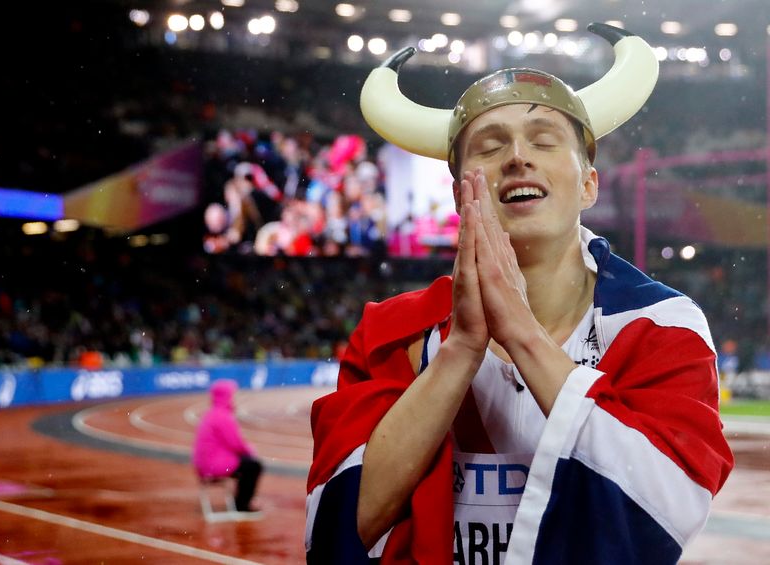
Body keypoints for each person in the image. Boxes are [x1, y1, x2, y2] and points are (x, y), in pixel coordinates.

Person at [305, 23, 734, 564]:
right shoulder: (393, 334)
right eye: (489, 146)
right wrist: (461, 350)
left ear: (588, 184)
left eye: (544, 140)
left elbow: (664, 512)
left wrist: (522, 335)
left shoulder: (661, 325)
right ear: (460, 191)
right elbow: (339, 529)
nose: (516, 157)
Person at [193, 379, 262, 513]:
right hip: (215, 464)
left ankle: (241, 501)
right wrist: (250, 450)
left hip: (206, 463)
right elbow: (236, 444)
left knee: (247, 464)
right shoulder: (223, 416)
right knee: (253, 466)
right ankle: (243, 505)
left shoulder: (211, 414)